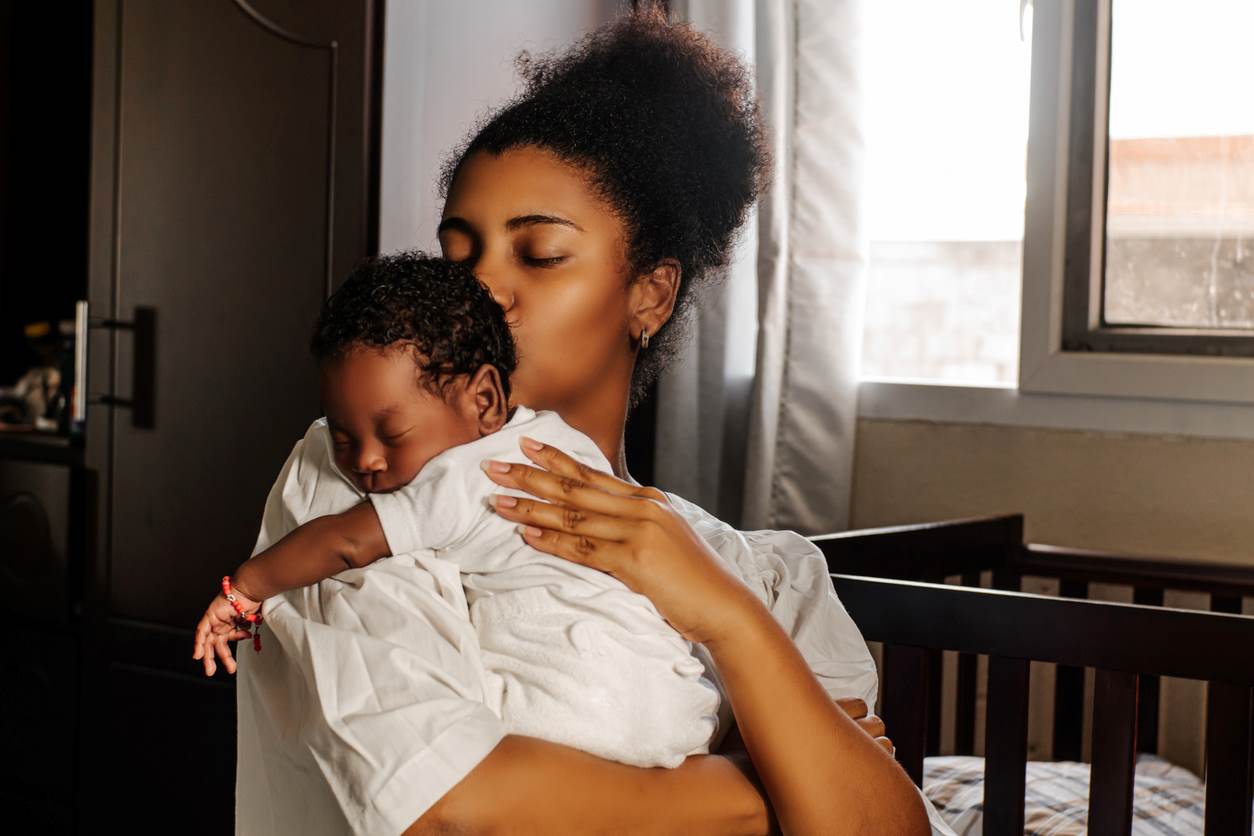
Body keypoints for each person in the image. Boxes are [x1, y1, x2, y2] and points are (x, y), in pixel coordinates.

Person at [231, 6, 957, 834]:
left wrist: (726, 617)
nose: (482, 290)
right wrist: (770, 789)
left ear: (649, 293)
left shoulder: (763, 577)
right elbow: (463, 810)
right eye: (459, 254)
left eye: (537, 254)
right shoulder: (362, 485)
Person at [196, 251, 724, 770]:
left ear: (486, 401)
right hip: (682, 697)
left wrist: (245, 588)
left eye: (393, 433)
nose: (366, 460)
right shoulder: (559, 443)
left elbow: (345, 542)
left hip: (578, 706)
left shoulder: (470, 474)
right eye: (341, 438)